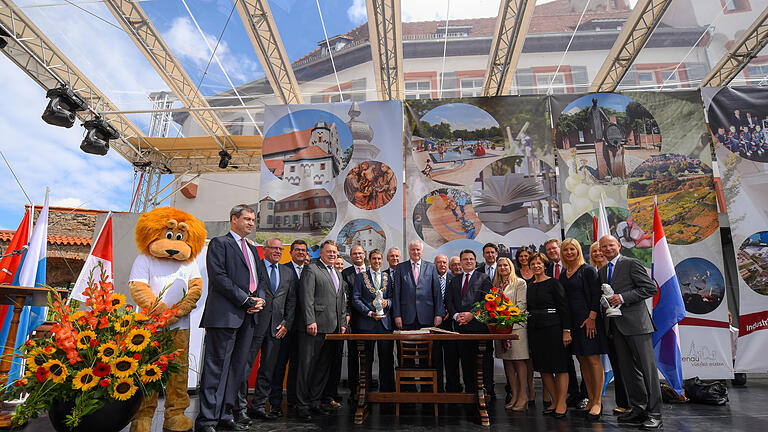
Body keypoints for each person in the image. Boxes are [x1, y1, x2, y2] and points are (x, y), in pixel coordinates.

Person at [195, 205, 265, 432]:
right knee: (217, 369)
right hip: (225, 316)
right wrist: (246, 300)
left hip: (248, 317)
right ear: (233, 219)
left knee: (237, 370)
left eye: (253, 220)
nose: (251, 223)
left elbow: (260, 280)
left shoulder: (253, 250)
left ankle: (226, 414)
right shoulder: (219, 244)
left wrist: (259, 300)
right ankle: (207, 420)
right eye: (246, 219)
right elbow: (220, 277)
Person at [599, 235, 662, 430]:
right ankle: (639, 408)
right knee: (628, 371)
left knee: (648, 371)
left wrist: (623, 298)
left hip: (637, 326)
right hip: (616, 327)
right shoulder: (602, 271)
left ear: (619, 245)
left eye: (611, 245)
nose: (608, 249)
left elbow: (650, 288)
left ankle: (655, 414)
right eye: (604, 247)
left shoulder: (631, 263)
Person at [240, 238, 298, 421]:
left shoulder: (287, 272)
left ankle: (258, 406)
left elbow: (291, 301)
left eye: (280, 249)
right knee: (245, 367)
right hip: (254, 325)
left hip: (276, 329)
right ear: (264, 250)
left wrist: (287, 323)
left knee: (267, 370)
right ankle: (239, 408)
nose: (278, 251)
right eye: (274, 248)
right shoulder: (255, 268)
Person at [295, 240, 348, 421]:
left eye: (334, 252)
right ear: (322, 253)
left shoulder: (338, 274)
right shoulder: (312, 269)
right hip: (314, 328)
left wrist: (342, 323)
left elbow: (340, 301)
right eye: (329, 252)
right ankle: (302, 406)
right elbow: (306, 297)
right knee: (306, 368)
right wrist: (310, 320)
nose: (332, 254)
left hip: (332, 330)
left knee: (322, 369)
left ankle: (315, 403)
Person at [559, 238, 609, 421]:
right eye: (565, 250)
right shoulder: (564, 274)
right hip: (573, 324)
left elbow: (596, 294)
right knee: (582, 360)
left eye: (572, 249)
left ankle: (597, 401)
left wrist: (592, 317)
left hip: (589, 321)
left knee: (593, 360)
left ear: (578, 250)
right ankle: (589, 398)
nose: (569, 252)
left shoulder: (587, 270)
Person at [526, 252, 571, 419]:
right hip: (535, 329)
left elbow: (564, 307)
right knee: (543, 368)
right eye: (533, 264)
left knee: (559, 366)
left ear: (545, 265)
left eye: (539, 263)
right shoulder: (529, 285)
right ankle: (554, 401)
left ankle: (561, 403)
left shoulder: (554, 283)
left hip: (554, 328)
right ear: (529, 266)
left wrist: (566, 330)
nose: (536, 266)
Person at [545, 239, 587, 409]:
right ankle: (573, 393)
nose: (552, 251)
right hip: (559, 320)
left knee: (585, 358)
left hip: (580, 318)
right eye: (549, 249)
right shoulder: (547, 269)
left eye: (555, 248)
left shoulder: (576, 267)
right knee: (566, 359)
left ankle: (586, 395)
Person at [445, 249, 494, 394]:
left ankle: (487, 392)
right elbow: (449, 301)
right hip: (460, 329)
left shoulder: (484, 278)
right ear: (460, 262)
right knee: (466, 363)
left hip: (478, 328)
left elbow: (487, 301)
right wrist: (456, 316)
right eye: (465, 259)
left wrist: (472, 315)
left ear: (475, 261)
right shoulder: (454, 280)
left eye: (471, 259)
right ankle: (470, 392)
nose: (468, 261)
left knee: (483, 363)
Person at [590, 243, 630, 415]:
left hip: (618, 323)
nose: (599, 253)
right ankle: (618, 401)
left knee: (624, 365)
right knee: (605, 362)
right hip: (598, 324)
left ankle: (629, 403)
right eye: (594, 251)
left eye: (601, 250)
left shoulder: (617, 270)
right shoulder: (593, 273)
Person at [269, 240, 308, 416]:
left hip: (304, 327)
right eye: (297, 250)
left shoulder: (311, 270)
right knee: (279, 365)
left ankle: (293, 400)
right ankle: (275, 402)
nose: (301, 253)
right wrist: (285, 322)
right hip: (283, 326)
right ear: (290, 252)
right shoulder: (282, 270)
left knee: (297, 365)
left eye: (303, 250)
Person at [351, 249, 395, 393]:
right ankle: (366, 393)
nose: (376, 261)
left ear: (382, 261)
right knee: (366, 362)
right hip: (366, 324)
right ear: (369, 260)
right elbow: (355, 299)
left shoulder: (387, 277)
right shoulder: (360, 277)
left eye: (379, 259)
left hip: (384, 325)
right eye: (374, 259)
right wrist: (369, 313)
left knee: (386, 361)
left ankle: (386, 393)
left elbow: (393, 298)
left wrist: (387, 302)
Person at [327, 245, 365, 406]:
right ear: (350, 255)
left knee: (367, 358)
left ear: (365, 255)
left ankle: (366, 389)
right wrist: (346, 319)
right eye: (354, 253)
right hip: (351, 322)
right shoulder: (345, 274)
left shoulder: (372, 272)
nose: (357, 255)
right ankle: (353, 391)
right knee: (353, 359)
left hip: (370, 322)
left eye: (360, 253)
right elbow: (343, 299)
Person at [492, 257, 528, 411]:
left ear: (511, 266)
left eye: (505, 265)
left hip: (516, 328)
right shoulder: (496, 286)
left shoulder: (519, 283)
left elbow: (520, 305)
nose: (502, 267)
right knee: (507, 362)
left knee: (518, 361)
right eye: (500, 265)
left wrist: (505, 317)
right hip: (501, 330)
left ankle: (523, 396)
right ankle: (514, 395)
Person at [392, 240, 443, 330]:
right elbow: (396, 293)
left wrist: (438, 314)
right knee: (407, 344)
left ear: (422, 252)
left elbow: (437, 293)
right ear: (409, 251)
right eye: (413, 250)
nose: (415, 252)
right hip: (406, 316)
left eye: (418, 249)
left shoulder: (431, 267)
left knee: (426, 344)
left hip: (427, 316)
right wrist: (397, 315)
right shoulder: (400, 267)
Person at [433, 253, 452, 391]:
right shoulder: (430, 279)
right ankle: (437, 388)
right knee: (435, 358)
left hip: (450, 324)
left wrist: (449, 311)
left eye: (444, 262)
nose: (442, 265)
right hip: (434, 323)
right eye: (439, 262)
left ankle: (453, 388)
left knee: (451, 360)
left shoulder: (454, 280)